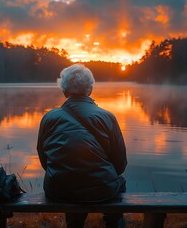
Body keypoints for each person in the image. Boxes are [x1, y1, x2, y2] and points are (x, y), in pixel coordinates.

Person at [36, 63, 128, 228]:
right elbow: (120, 165)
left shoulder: (49, 118)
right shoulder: (107, 117)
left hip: (58, 190)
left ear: (64, 92)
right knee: (119, 181)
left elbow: (45, 161)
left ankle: (74, 223)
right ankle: (114, 222)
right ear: (90, 90)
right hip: (102, 191)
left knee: (70, 179)